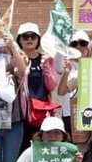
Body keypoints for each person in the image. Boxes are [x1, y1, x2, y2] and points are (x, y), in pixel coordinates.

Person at [16, 22, 60, 151]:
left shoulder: (46, 58)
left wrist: (46, 65)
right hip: (22, 112)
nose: (29, 39)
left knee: (42, 148)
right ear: (19, 39)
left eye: (33, 36)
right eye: (25, 36)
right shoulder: (15, 59)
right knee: (23, 148)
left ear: (38, 39)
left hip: (42, 111)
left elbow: (51, 86)